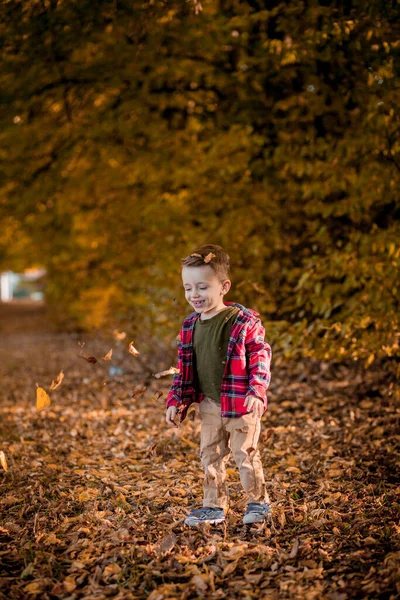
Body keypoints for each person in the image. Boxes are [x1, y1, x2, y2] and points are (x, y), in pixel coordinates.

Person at [165, 244, 272, 526]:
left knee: (245, 455)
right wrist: (176, 401)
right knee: (210, 455)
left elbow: (261, 355)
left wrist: (257, 390)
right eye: (188, 288)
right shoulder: (190, 326)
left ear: (224, 286)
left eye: (202, 287)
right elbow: (185, 370)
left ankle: (258, 503)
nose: (194, 295)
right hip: (211, 404)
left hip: (241, 402)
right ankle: (213, 507)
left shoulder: (242, 321)